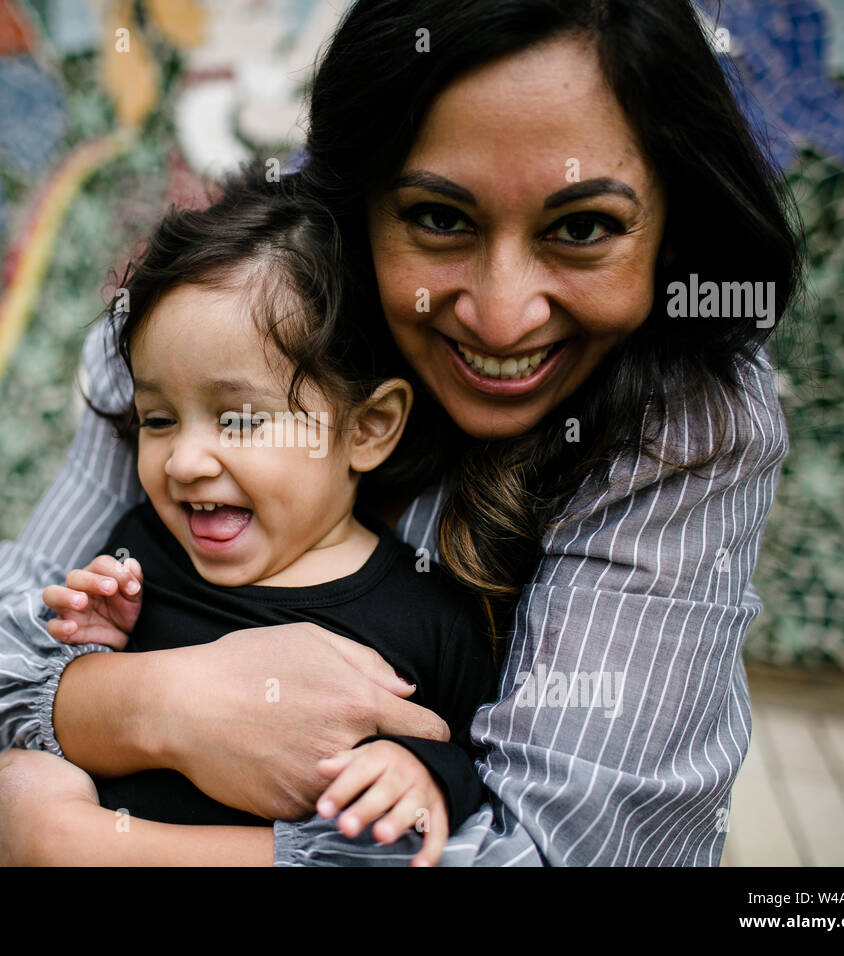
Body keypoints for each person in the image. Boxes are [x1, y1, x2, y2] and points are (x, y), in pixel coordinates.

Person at [0, 0, 799, 866]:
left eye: (582, 229)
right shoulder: (215, 323)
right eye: (439, 217)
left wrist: (85, 848)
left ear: (674, 227)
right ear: (360, 203)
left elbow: (557, 852)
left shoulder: (689, 421)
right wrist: (164, 703)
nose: (502, 319)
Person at [27, 168, 497, 865]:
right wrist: (92, 646)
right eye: (157, 418)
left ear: (368, 429)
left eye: (239, 418)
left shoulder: (431, 617)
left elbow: (461, 758)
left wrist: (423, 774)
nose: (184, 461)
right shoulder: (139, 556)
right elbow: (60, 713)